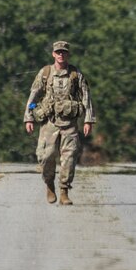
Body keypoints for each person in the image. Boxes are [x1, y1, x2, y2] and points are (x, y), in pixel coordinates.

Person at [23, 40, 96, 206]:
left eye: (64, 52)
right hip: (49, 123)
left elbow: (86, 97)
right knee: (45, 157)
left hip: (69, 124)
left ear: (68, 54)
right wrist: (28, 117)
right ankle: (49, 184)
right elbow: (33, 96)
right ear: (53, 54)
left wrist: (88, 120)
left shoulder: (76, 74)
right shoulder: (45, 73)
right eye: (58, 52)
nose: (61, 54)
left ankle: (64, 191)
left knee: (69, 158)